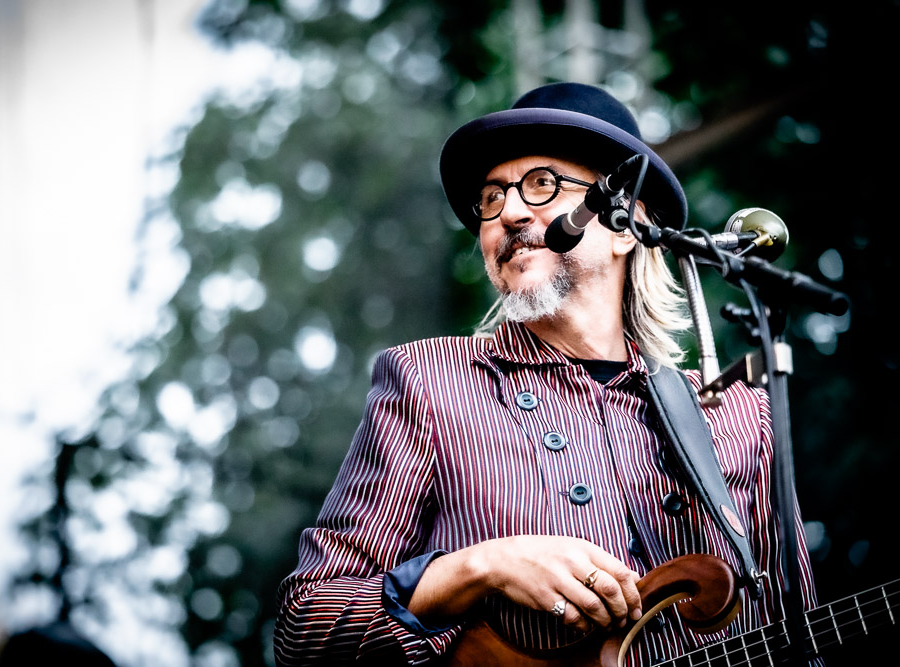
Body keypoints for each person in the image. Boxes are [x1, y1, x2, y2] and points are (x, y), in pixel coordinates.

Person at [272, 82, 820, 666]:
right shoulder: (429, 382)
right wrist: (481, 567)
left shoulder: (739, 414)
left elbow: (799, 641)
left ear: (625, 226)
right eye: (491, 198)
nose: (508, 213)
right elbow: (305, 627)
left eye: (541, 184)